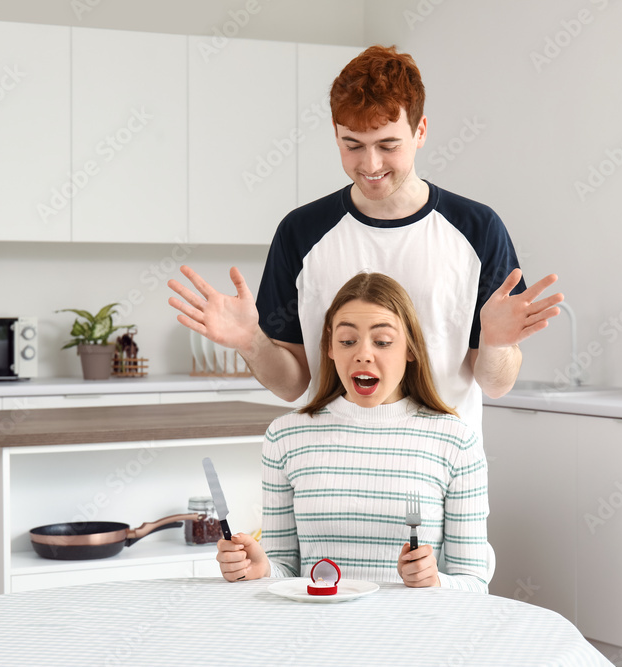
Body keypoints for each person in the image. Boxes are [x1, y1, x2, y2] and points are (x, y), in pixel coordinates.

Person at [168, 45, 562, 435]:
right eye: (352, 145)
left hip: (441, 473)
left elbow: (495, 383)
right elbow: (292, 385)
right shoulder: (301, 233)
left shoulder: (478, 229)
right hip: (333, 468)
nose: (370, 165)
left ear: (420, 131)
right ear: (336, 135)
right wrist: (250, 341)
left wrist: (495, 344)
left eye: (388, 145)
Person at [216, 272, 489, 591]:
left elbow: (475, 583)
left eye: (383, 342)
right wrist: (260, 571)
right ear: (330, 348)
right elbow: (285, 570)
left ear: (410, 349)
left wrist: (436, 581)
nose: (363, 353)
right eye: (347, 341)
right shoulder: (285, 436)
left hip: (413, 632)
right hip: (315, 629)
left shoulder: (456, 441)